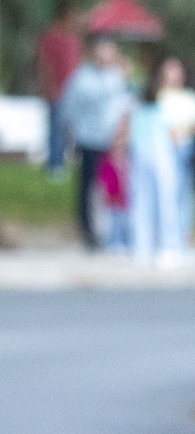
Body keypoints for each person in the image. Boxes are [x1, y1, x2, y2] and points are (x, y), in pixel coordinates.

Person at [60, 37, 129, 251]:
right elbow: (69, 108)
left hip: (112, 142)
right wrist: (72, 135)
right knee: (88, 187)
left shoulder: (118, 77)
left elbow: (124, 106)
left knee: (112, 187)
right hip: (89, 139)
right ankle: (88, 231)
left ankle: (114, 232)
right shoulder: (82, 77)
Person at [129, 61, 184, 268]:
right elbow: (175, 134)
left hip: (142, 151)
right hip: (158, 153)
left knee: (144, 201)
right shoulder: (163, 106)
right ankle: (166, 247)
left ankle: (143, 247)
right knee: (164, 202)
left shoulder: (141, 106)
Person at [36, 0, 84, 179]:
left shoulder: (74, 39)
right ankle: (54, 164)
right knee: (56, 127)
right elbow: (45, 64)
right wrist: (49, 87)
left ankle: (61, 162)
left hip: (72, 92)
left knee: (67, 129)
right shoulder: (51, 37)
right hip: (56, 90)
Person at [156, 57, 195, 245]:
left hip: (186, 148)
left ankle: (182, 235)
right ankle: (166, 237)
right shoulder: (158, 96)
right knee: (166, 193)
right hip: (165, 149)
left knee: (183, 193)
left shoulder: (188, 96)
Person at [97, 118, 131, 256]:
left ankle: (124, 242)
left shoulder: (128, 162)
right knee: (113, 221)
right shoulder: (108, 162)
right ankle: (113, 243)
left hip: (124, 198)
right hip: (112, 196)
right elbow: (103, 179)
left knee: (124, 222)